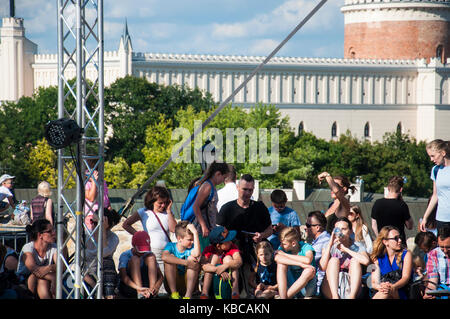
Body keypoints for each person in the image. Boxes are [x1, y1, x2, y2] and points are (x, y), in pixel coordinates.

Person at [122, 185, 177, 294]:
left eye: (165, 202)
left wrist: (169, 211)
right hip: (151, 251)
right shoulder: (143, 212)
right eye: (160, 203)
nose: (163, 205)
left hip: (167, 252)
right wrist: (140, 236)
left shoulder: (167, 213)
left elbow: (174, 229)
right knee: (156, 282)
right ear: (152, 201)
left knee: (167, 287)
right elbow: (126, 224)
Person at [217, 174, 272, 268]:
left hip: (257, 248)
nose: (247, 193)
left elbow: (270, 230)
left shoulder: (260, 207)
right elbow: (218, 232)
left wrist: (261, 235)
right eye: (244, 189)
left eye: (250, 190)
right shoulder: (227, 208)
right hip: (233, 248)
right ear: (237, 187)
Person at [320, 217, 370, 299]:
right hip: (331, 287)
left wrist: (346, 249)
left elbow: (366, 261)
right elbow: (322, 267)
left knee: (355, 261)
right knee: (333, 260)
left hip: (351, 284)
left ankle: (352, 297)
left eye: (344, 229)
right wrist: (330, 244)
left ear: (350, 231)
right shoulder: (328, 245)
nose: (340, 232)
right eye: (337, 229)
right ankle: (335, 297)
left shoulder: (357, 246)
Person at [192, 161, 229, 251]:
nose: (223, 181)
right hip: (202, 230)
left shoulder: (212, 186)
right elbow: (196, 206)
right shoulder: (207, 186)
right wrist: (203, 226)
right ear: (218, 174)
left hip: (209, 228)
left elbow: (211, 207)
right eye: (224, 177)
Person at [83, 208, 121, 299]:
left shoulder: (113, 238)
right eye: (91, 221)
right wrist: (96, 288)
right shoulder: (86, 236)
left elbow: (103, 254)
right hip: (87, 276)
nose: (92, 225)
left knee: (107, 261)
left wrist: (103, 231)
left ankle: (109, 295)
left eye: (96, 223)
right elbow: (79, 267)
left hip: (105, 274)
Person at [16, 219, 58, 299]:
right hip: (23, 281)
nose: (54, 233)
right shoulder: (28, 248)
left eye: (54, 230)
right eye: (50, 231)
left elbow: (61, 266)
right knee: (34, 277)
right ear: (40, 235)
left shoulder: (54, 246)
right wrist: (53, 277)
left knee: (42, 281)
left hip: (43, 280)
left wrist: (49, 268)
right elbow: (34, 270)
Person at [370, 226, 413, 299]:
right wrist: (381, 287)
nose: (399, 240)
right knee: (385, 292)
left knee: (386, 292)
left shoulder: (406, 254)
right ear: (385, 242)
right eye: (395, 238)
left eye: (400, 237)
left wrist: (392, 287)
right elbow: (373, 282)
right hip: (383, 291)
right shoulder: (378, 259)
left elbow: (405, 278)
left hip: (401, 290)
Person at [200, 225, 242, 299]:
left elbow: (239, 261)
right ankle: (204, 293)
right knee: (214, 257)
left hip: (230, 282)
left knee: (228, 258)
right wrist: (217, 269)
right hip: (212, 283)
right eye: (227, 241)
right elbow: (203, 265)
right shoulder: (209, 249)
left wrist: (225, 266)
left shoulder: (232, 247)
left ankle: (235, 292)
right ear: (218, 246)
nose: (231, 242)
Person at [118, 231, 163, 299]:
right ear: (134, 245)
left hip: (147, 286)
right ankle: (140, 295)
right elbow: (123, 276)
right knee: (135, 259)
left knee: (151, 257)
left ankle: (151, 293)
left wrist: (156, 287)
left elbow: (160, 276)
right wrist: (139, 288)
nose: (142, 253)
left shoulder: (149, 255)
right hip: (131, 287)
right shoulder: (125, 255)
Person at [162, 221, 201, 299]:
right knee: (170, 258)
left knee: (192, 258)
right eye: (189, 239)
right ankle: (174, 294)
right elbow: (164, 257)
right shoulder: (171, 246)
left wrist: (195, 232)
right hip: (173, 285)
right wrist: (186, 263)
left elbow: (196, 254)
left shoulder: (192, 248)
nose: (192, 242)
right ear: (179, 239)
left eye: (193, 239)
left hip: (188, 285)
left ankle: (188, 295)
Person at [275, 227, 316, 299]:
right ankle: (283, 297)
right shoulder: (282, 248)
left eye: (284, 244)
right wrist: (300, 264)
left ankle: (284, 297)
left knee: (309, 270)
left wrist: (285, 255)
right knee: (281, 264)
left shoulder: (306, 246)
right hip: (291, 283)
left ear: (293, 243)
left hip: (307, 288)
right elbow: (277, 258)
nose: (281, 245)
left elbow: (308, 260)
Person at [371, 176, 413, 244]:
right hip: (399, 243)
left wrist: (380, 238)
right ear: (401, 189)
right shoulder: (402, 205)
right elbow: (409, 226)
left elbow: (373, 225)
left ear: (388, 188)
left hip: (384, 242)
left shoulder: (377, 203)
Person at [420, 139, 450, 232]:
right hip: (441, 218)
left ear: (443, 153)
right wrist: (425, 217)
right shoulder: (435, 170)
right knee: (443, 246)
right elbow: (435, 195)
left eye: (433, 156)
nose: (431, 159)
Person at [305, 210, 330, 295]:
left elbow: (307, 260)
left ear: (317, 227)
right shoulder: (318, 241)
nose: (305, 228)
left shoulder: (325, 241)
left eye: (308, 225)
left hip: (318, 285)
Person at [84, 159, 111, 231]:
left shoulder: (102, 182)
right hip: (91, 216)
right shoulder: (85, 183)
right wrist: (93, 181)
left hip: (103, 215)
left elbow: (106, 198)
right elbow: (91, 198)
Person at [423, 227, 450, 299]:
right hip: (442, 290)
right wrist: (429, 292)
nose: (445, 251)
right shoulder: (433, 254)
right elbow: (433, 281)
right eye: (442, 247)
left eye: (448, 247)